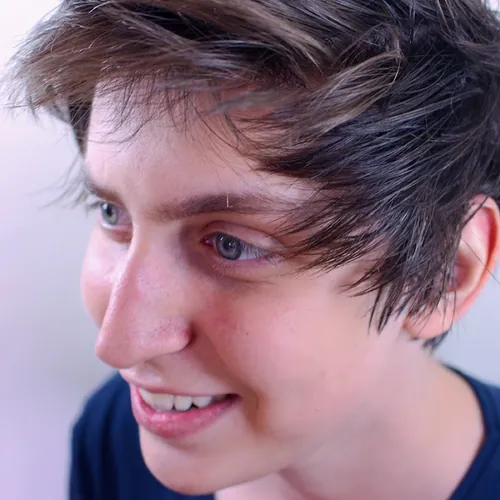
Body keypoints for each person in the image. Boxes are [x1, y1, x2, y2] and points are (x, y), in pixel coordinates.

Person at [6, 0, 500, 498]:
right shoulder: (115, 433)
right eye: (113, 214)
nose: (118, 345)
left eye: (231, 245)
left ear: (440, 274)